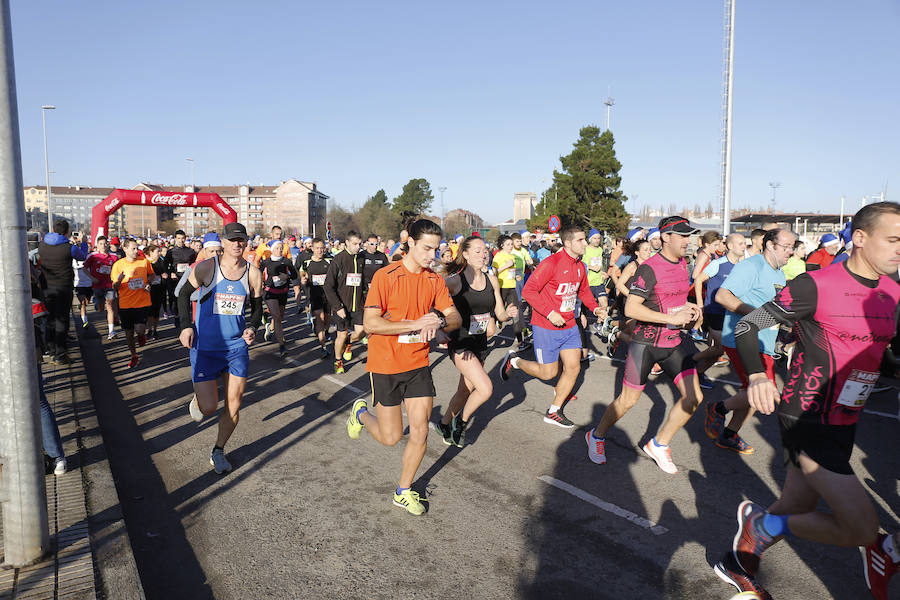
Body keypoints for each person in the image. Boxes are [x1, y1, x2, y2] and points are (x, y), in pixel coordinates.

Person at [713, 202, 900, 600]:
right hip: (806, 415)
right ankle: (761, 528)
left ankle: (738, 560)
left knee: (797, 503)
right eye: (893, 239)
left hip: (847, 419)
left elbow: (879, 353)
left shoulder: (893, 293)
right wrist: (760, 375)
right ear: (861, 239)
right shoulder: (815, 285)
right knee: (864, 531)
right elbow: (749, 324)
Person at [346, 219, 461, 515]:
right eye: (426, 248)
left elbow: (455, 318)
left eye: (436, 249)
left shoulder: (434, 280)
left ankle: (404, 490)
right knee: (391, 437)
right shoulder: (386, 276)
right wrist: (414, 324)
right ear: (409, 241)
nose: (431, 255)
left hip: (418, 363)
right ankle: (360, 412)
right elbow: (371, 323)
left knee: (420, 431)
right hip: (385, 364)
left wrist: (437, 320)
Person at [586, 216, 703, 473]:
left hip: (672, 342)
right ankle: (596, 435)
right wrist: (672, 317)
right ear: (665, 238)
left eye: (689, 235)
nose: (688, 240)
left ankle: (659, 444)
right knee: (628, 401)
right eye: (682, 236)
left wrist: (691, 309)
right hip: (646, 343)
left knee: (694, 397)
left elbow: (675, 298)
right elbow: (632, 307)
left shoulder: (684, 263)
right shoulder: (649, 268)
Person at [500, 226, 607, 427]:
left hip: (569, 326)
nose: (585, 243)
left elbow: (583, 292)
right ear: (567, 243)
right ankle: (514, 361)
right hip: (546, 327)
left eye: (585, 240)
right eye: (581, 240)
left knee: (573, 367)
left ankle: (554, 411)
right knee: (548, 373)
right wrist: (550, 313)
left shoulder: (580, 266)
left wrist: (595, 308)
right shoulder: (552, 263)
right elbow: (529, 291)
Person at [178, 222, 263, 475]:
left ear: (246, 243)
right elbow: (183, 294)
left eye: (242, 240)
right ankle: (199, 398)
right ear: (223, 243)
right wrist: (186, 326)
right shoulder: (207, 268)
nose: (237, 244)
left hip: (236, 347)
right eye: (233, 240)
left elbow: (257, 307)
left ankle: (218, 450)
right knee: (208, 408)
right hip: (206, 347)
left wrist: (253, 327)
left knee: (234, 405)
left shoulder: (253, 273)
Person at [703, 229, 794, 454]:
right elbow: (722, 296)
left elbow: (774, 309)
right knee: (764, 391)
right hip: (741, 339)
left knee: (755, 395)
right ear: (771, 245)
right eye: (786, 247)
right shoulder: (751, 266)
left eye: (793, 247)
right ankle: (718, 408)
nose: (791, 252)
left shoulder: (779, 273)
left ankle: (729, 435)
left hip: (766, 342)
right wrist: (756, 315)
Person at [435, 235, 514, 447]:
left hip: (480, 344)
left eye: (485, 251)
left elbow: (499, 313)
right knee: (486, 389)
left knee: (465, 391)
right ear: (466, 255)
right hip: (460, 343)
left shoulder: (492, 280)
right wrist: (437, 329)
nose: (483, 255)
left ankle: (443, 424)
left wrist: (509, 313)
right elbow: (433, 300)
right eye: (477, 251)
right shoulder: (455, 281)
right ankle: (460, 423)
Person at [691, 233, 746, 387]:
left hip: (731, 313)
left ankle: (698, 372)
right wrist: (701, 304)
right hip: (713, 311)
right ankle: (691, 360)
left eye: (745, 243)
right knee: (722, 347)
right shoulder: (719, 264)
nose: (744, 246)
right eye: (740, 243)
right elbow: (698, 280)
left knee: (717, 350)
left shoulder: (742, 266)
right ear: (730, 246)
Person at [38, 221, 89, 364]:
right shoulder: (69, 248)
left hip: (47, 287)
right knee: (62, 319)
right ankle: (60, 354)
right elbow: (82, 256)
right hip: (63, 287)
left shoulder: (42, 245)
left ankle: (50, 349)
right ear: (67, 232)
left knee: (49, 318)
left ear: (53, 230)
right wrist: (83, 243)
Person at [324, 231, 365, 373]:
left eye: (359, 244)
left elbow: (363, 280)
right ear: (347, 243)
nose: (357, 247)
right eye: (354, 244)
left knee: (361, 332)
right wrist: (337, 306)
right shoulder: (339, 259)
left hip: (358, 304)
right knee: (341, 334)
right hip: (342, 305)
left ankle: (349, 343)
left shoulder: (361, 258)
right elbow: (328, 286)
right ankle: (338, 360)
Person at [111, 239, 154, 368]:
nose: (136, 251)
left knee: (139, 329)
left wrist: (148, 283)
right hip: (125, 304)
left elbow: (152, 275)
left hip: (142, 301)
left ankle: (141, 335)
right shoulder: (118, 265)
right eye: (133, 249)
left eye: (137, 248)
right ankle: (134, 355)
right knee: (128, 333)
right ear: (125, 249)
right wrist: (118, 281)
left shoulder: (144, 261)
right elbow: (115, 287)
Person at [259, 239, 298, 357]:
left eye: (281, 248)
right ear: (272, 250)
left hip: (283, 292)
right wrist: (260, 282)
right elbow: (258, 274)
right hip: (269, 292)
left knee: (279, 317)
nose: (280, 250)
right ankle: (282, 346)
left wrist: (287, 276)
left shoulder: (287, 261)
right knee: (276, 317)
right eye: (277, 248)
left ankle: (270, 328)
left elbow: (294, 275)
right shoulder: (265, 263)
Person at [298, 238, 333, 359]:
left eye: (322, 248)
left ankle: (325, 331)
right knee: (320, 317)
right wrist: (303, 279)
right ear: (312, 248)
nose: (320, 250)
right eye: (317, 248)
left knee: (328, 319)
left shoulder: (329, 261)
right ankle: (323, 347)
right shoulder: (307, 263)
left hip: (328, 295)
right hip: (314, 295)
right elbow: (302, 273)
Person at [492, 235, 526, 348]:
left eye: (511, 244)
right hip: (501, 288)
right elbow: (494, 272)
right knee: (497, 310)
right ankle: (497, 320)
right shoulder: (498, 256)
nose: (511, 246)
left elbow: (513, 270)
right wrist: (506, 266)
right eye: (508, 244)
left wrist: (517, 276)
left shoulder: (512, 255)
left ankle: (520, 340)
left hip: (511, 287)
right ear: (502, 245)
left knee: (515, 312)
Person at [84, 236, 118, 340]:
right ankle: (97, 303)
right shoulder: (93, 256)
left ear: (108, 244)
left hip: (109, 285)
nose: (103, 246)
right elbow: (84, 268)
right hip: (97, 285)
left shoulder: (114, 256)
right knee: (100, 308)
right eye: (101, 244)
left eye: (105, 243)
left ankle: (111, 331)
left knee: (110, 306)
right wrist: (92, 278)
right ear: (97, 245)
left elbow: (118, 269)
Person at [165, 230, 197, 329]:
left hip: (187, 278)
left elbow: (194, 264)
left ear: (185, 239)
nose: (180, 240)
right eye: (178, 238)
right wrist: (171, 273)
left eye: (182, 238)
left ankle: (187, 318)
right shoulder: (171, 252)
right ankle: (177, 317)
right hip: (176, 278)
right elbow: (165, 264)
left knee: (187, 298)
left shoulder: (190, 251)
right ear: (175, 239)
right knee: (175, 299)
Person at [145, 243, 167, 341]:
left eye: (159, 251)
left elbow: (165, 272)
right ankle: (149, 330)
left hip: (159, 288)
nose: (159, 253)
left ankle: (155, 330)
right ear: (151, 252)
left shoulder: (162, 261)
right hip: (149, 290)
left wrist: (165, 274)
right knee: (149, 312)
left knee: (157, 311)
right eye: (157, 251)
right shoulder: (146, 263)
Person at [73, 255, 93, 329]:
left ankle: (81, 307)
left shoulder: (90, 257)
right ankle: (85, 322)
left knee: (87, 302)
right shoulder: (73, 259)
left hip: (89, 283)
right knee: (83, 303)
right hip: (78, 284)